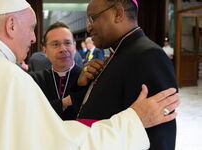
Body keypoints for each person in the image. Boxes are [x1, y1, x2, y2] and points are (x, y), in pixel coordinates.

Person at [0, 0, 179, 150]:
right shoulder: (7, 76)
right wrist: (133, 121)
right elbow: (59, 144)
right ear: (11, 26)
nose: (35, 38)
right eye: (33, 29)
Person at [72, 0, 178, 149]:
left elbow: (159, 134)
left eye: (92, 18)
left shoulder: (147, 55)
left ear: (118, 13)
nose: (89, 28)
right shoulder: (119, 52)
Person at [30, 22, 81, 120]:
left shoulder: (87, 77)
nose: (63, 49)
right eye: (55, 44)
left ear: (74, 47)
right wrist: (63, 103)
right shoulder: (35, 80)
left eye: (67, 43)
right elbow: (32, 111)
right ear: (45, 51)